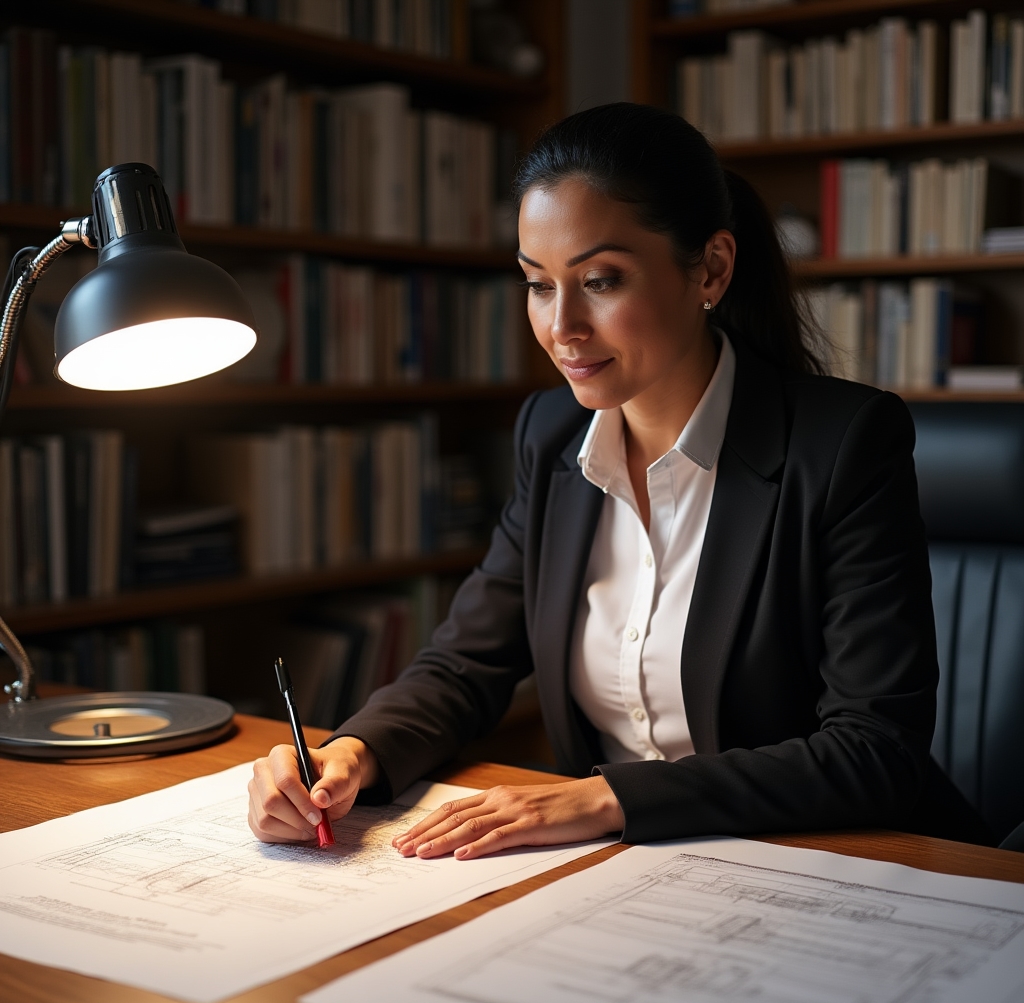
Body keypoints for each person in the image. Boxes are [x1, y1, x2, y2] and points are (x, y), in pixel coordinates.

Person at [248, 103, 991, 857]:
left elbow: (876, 749)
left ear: (712, 269)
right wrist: (351, 753)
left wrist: (609, 799)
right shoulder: (552, 435)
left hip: (840, 866)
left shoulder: (842, 445)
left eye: (601, 280)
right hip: (631, 874)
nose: (562, 325)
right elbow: (466, 662)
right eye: (539, 284)